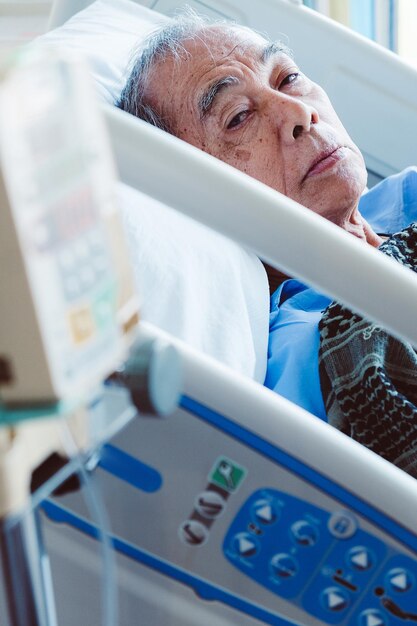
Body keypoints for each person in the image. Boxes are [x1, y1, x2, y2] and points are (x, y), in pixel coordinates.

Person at [117, 14, 417, 475]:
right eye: (238, 117)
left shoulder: (403, 197)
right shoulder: (313, 351)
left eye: (289, 78)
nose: (298, 113)